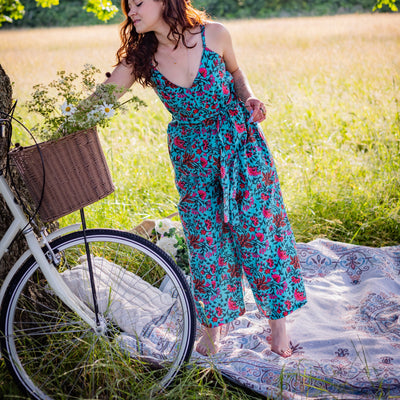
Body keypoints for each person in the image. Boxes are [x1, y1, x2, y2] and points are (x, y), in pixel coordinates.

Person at [104, 0, 307, 357]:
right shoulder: (140, 57)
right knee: (205, 242)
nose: (131, 11)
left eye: (138, 3)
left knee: (259, 232)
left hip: (240, 145)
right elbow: (102, 99)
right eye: (128, 5)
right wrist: (68, 121)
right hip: (192, 158)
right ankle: (213, 331)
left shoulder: (215, 35)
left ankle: (279, 328)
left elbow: (237, 73)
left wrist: (250, 96)